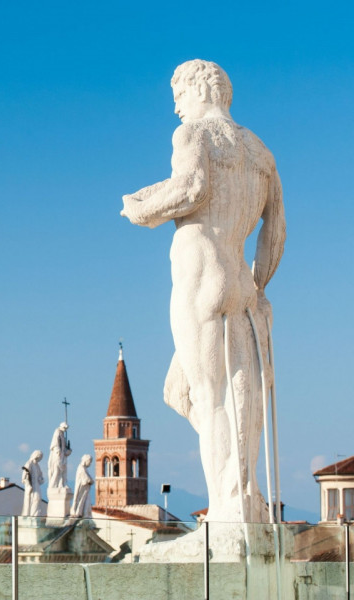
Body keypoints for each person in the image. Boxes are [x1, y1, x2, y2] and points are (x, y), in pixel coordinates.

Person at [121, 60, 285, 524]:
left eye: (178, 95)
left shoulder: (192, 136)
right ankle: (244, 490)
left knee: (211, 399)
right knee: (195, 392)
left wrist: (141, 209)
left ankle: (231, 508)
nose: (176, 108)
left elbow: (191, 188)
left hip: (201, 274)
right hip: (240, 282)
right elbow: (276, 234)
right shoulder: (261, 153)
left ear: (199, 88)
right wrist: (259, 285)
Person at [47, 422, 71, 489]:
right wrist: (57, 450)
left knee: (62, 470)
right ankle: (52, 485)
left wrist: (68, 450)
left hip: (62, 456)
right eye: (65, 428)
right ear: (62, 426)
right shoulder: (57, 432)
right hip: (57, 455)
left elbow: (64, 447)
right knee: (57, 470)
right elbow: (55, 443)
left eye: (66, 428)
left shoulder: (62, 434)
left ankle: (61, 484)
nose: (65, 430)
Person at [21, 450, 45, 517]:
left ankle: (35, 515)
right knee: (32, 500)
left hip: (36, 485)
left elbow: (40, 475)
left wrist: (41, 479)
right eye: (38, 457)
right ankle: (32, 516)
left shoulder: (37, 465)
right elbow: (24, 477)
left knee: (37, 499)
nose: (39, 459)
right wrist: (28, 485)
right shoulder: (29, 463)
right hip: (31, 486)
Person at [70, 454, 94, 518]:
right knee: (80, 501)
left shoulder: (84, 469)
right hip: (81, 489)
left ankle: (82, 514)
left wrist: (90, 480)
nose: (90, 463)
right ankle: (78, 513)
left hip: (84, 490)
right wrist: (91, 481)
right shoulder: (81, 468)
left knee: (84, 502)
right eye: (89, 462)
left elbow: (89, 478)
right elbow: (87, 479)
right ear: (86, 460)